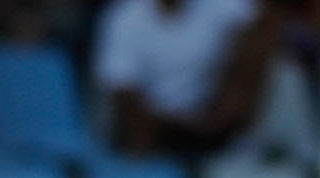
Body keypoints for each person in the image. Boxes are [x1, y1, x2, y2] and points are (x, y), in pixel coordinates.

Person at [93, 0, 273, 154]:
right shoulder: (125, 17)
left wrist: (224, 110)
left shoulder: (222, 6)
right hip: (153, 129)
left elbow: (264, 24)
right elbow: (122, 91)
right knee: (136, 130)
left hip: (211, 124)